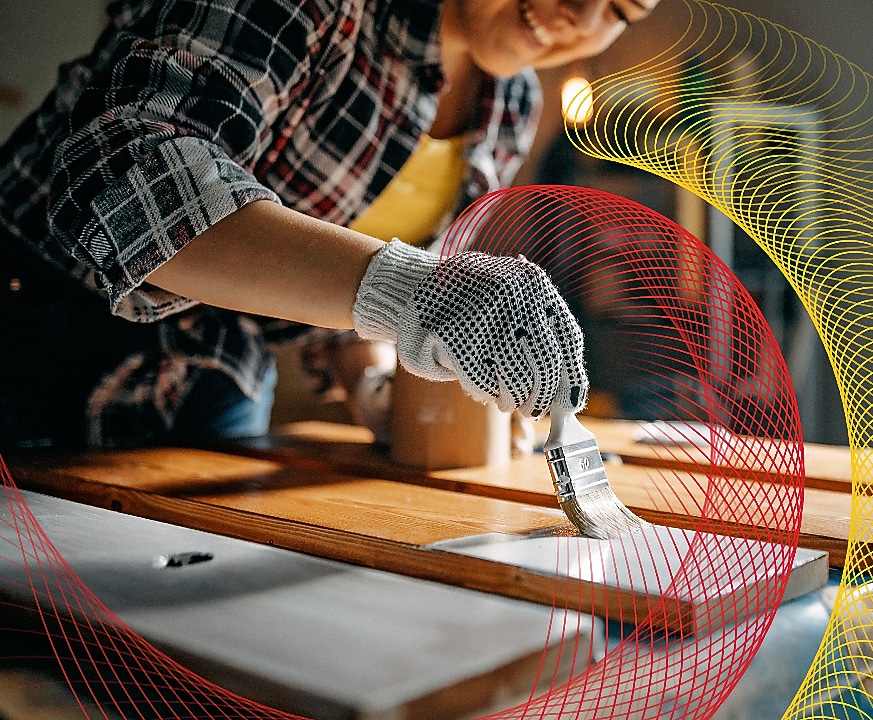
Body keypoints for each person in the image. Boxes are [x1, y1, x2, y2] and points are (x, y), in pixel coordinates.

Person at [0, 0, 657, 450]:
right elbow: (122, 178)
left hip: (213, 382)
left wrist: (371, 380)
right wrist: (412, 292)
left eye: (623, 10)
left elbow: (333, 291)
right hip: (36, 331)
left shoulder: (510, 107)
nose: (584, 13)